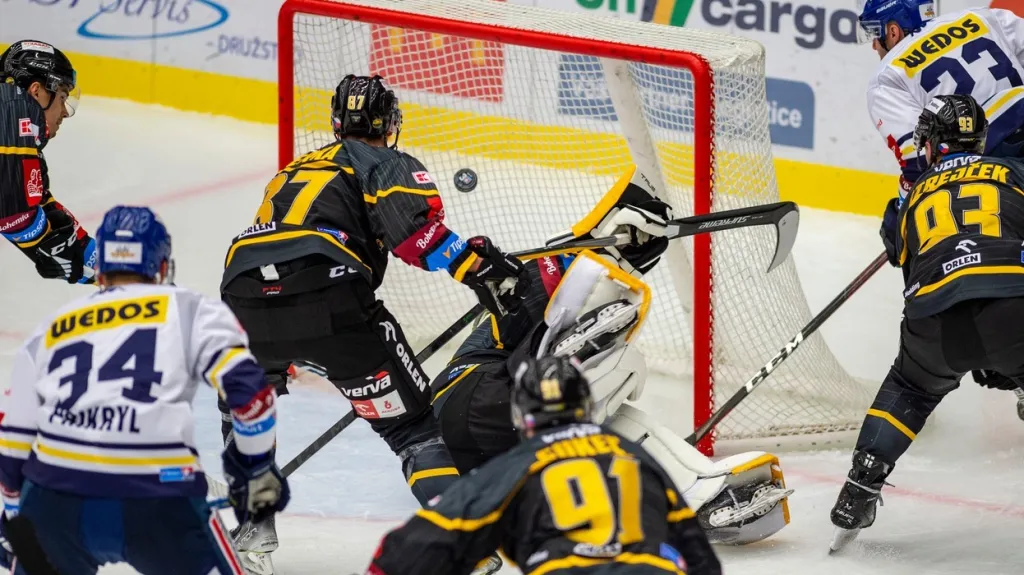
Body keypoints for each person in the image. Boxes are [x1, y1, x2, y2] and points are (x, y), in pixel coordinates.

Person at [219, 74, 524, 573]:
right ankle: (466, 549)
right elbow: (415, 235)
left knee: (242, 411)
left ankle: (254, 526)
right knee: (413, 431)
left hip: (242, 301)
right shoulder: (384, 161)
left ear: (338, 122)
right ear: (388, 124)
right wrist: (479, 269)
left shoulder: (294, 168)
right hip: (331, 299)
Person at [431, 166, 793, 546]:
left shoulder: (570, 277)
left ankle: (698, 492)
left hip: (483, 458)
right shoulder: (548, 272)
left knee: (619, 419)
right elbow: (535, 348)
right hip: (471, 400)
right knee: (623, 364)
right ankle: (573, 359)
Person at [0, 205, 289, 573]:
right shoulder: (192, 311)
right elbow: (252, 399)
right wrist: (255, 472)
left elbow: (14, 441)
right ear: (163, 266)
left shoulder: (51, 328)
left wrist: (18, 519)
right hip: (157, 497)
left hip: (56, 501)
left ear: (100, 267)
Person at [830, 94, 1024, 552]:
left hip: (932, 314)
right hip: (1011, 305)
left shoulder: (911, 196)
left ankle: (860, 487)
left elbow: (904, 260)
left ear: (932, 144)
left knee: (911, 389)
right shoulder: (1015, 172)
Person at [366, 354, 722, 575]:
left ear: (521, 414)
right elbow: (698, 553)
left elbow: (419, 543)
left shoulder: (517, 465)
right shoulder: (635, 455)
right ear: (583, 403)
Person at [0, 39, 95, 284]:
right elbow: (14, 210)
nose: (64, 111)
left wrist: (114, 271)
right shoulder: (12, 109)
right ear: (36, 91)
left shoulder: (22, 141)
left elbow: (36, 203)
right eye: (62, 97)